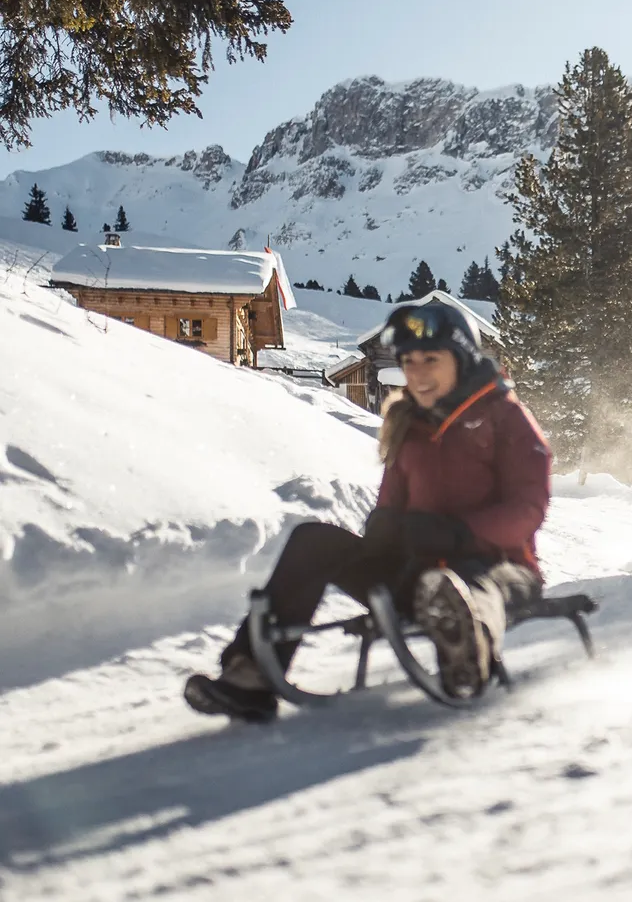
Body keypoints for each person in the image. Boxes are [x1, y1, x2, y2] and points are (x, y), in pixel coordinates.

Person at [183, 302, 552, 723]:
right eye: (409, 362)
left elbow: (528, 508)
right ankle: (249, 676)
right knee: (313, 541)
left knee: (475, 585)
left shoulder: (506, 417)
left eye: (431, 359)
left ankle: (470, 653)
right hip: (417, 575)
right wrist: (384, 527)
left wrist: (457, 534)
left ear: (463, 358)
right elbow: (390, 504)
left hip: (499, 566)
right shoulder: (410, 426)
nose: (417, 373)